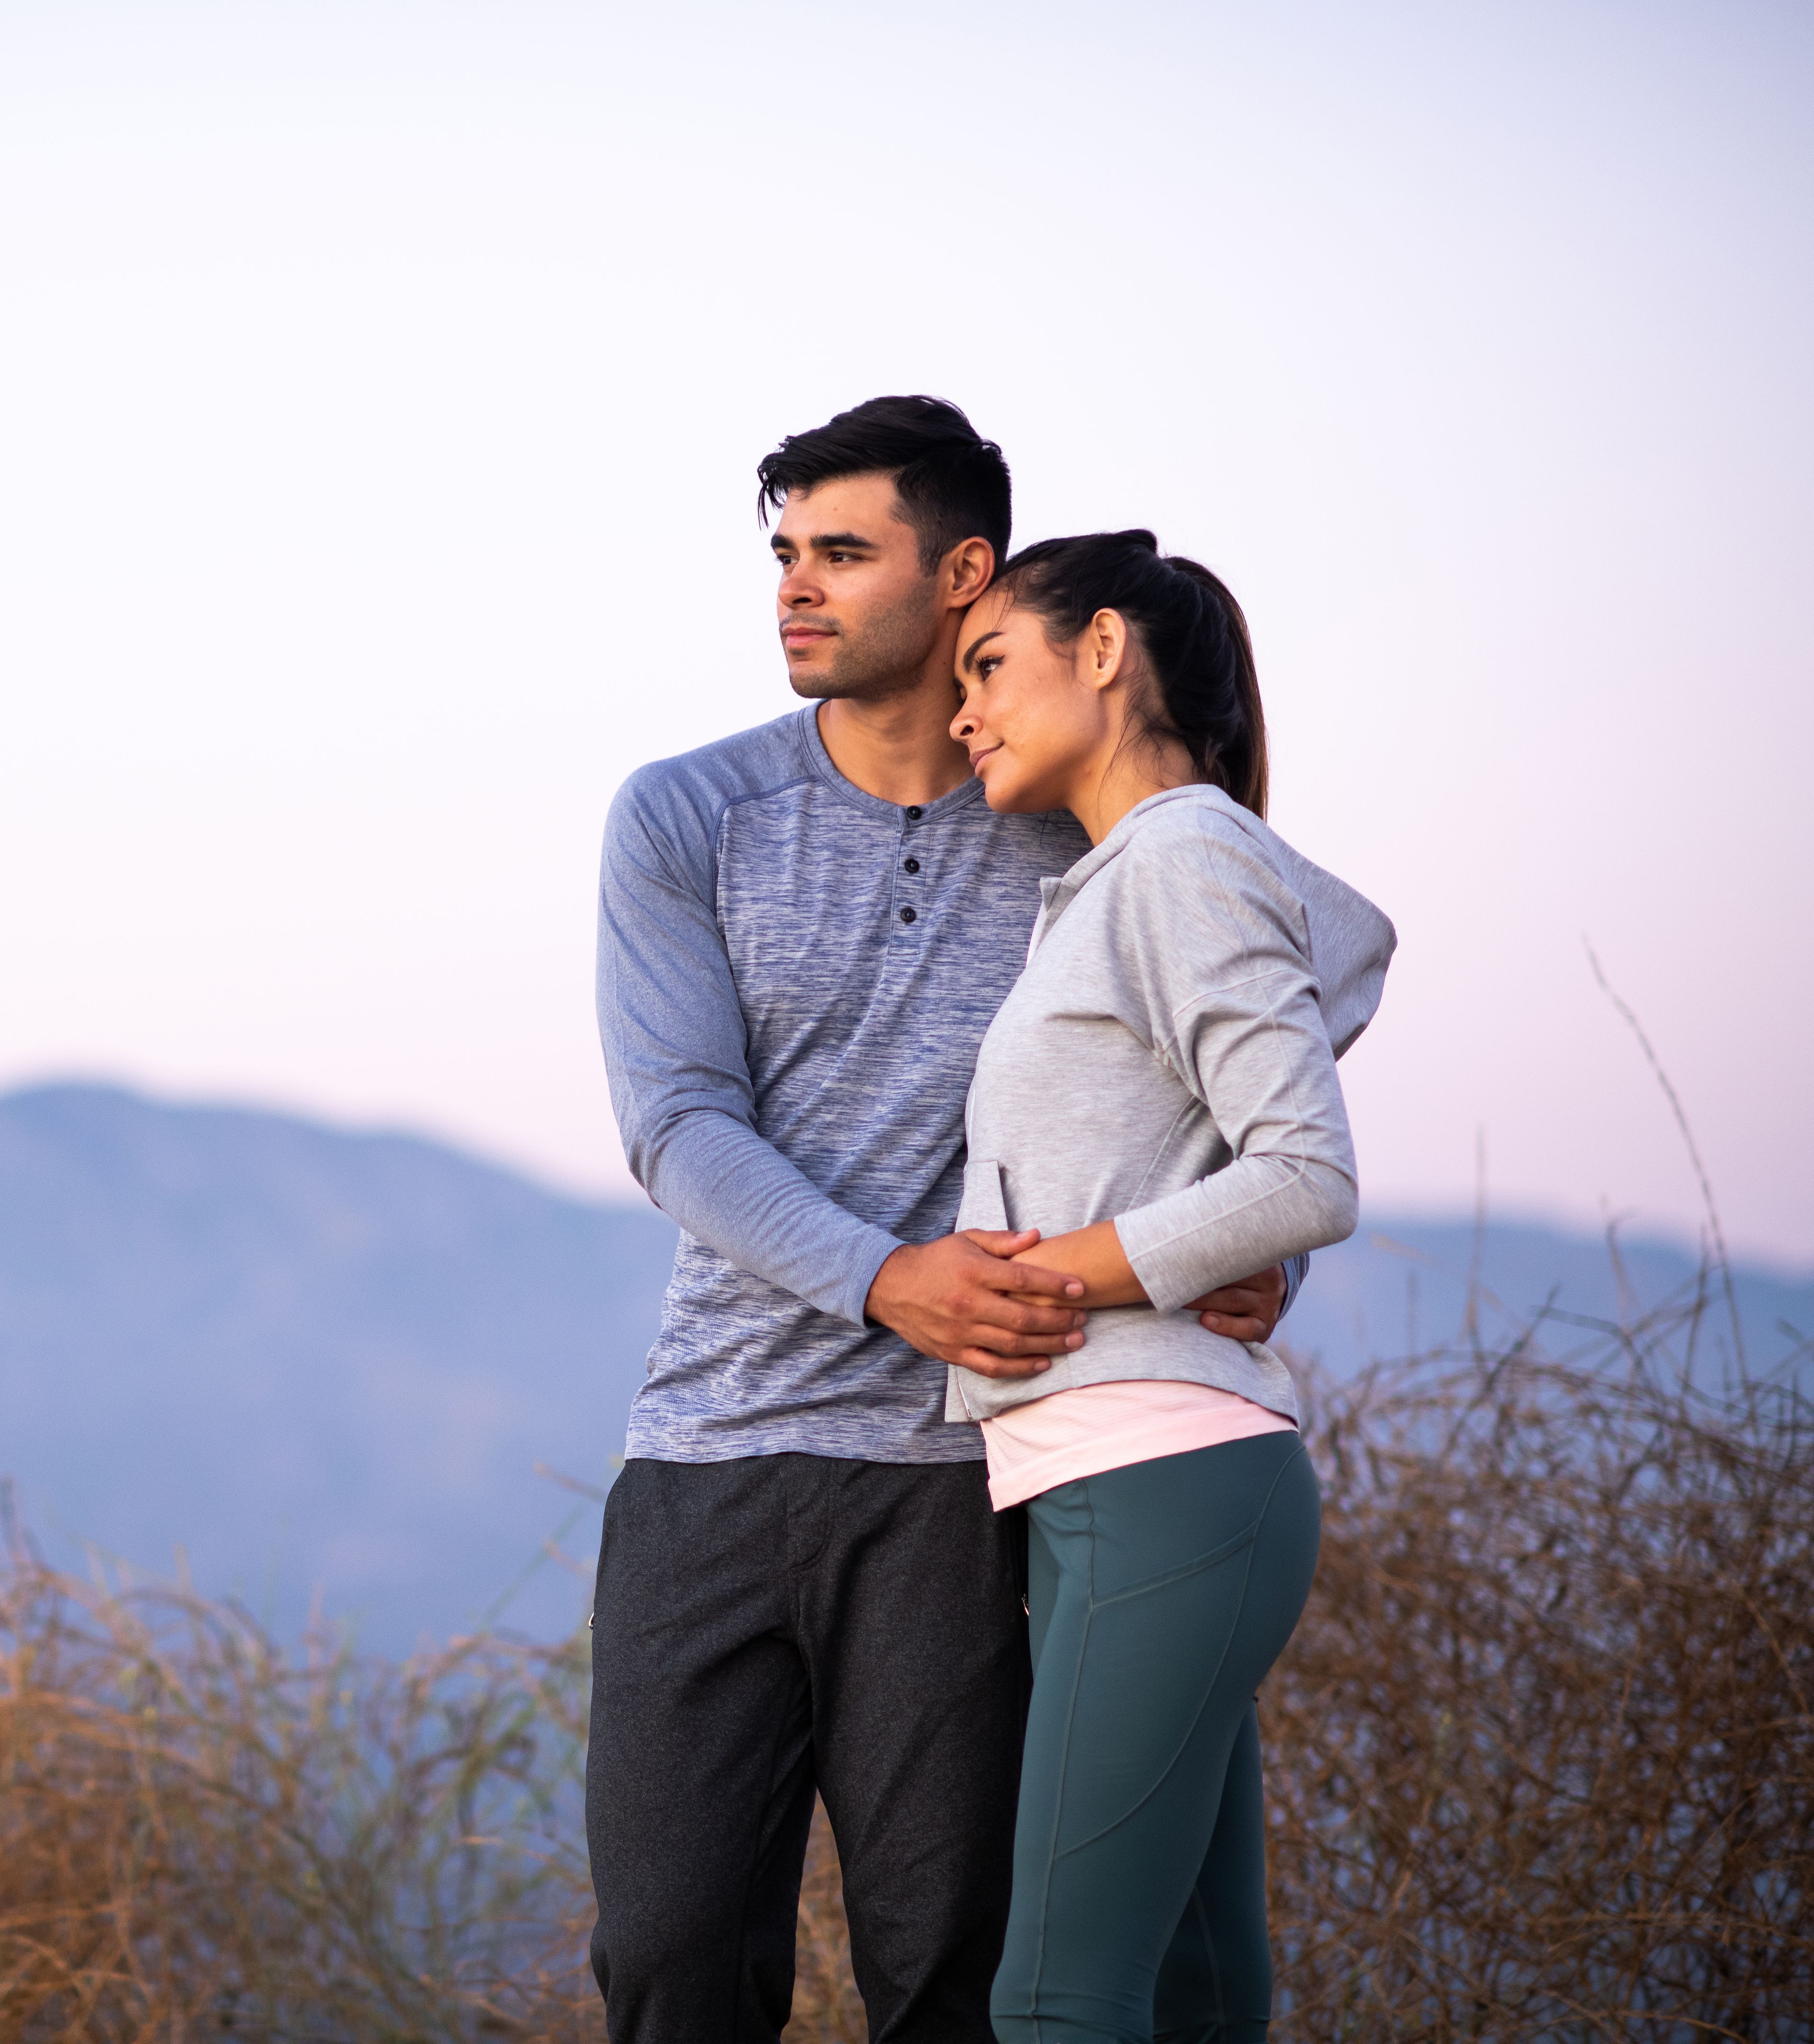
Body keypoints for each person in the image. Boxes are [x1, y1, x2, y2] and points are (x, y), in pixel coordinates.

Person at [587, 397, 1297, 2043]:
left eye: (843, 553)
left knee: (951, 1981)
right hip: (710, 1458)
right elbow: (677, 1124)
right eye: (784, 554)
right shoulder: (686, 817)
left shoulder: (1082, 826)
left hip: (965, 1489)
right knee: (671, 1959)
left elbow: (1271, 1001)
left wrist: (1249, 1229)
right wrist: (885, 1278)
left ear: (964, 573)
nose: (795, 590)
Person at [944, 532, 1390, 2041]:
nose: (965, 713)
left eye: (991, 665)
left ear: (1107, 648)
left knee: (1059, 2001)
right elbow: (1339, 958)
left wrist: (1055, 1269)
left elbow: (1306, 1173)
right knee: (1199, 1993)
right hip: (1118, 1481)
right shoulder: (1142, 873)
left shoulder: (1184, 855)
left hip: (1158, 1473)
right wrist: (1211, 1233)